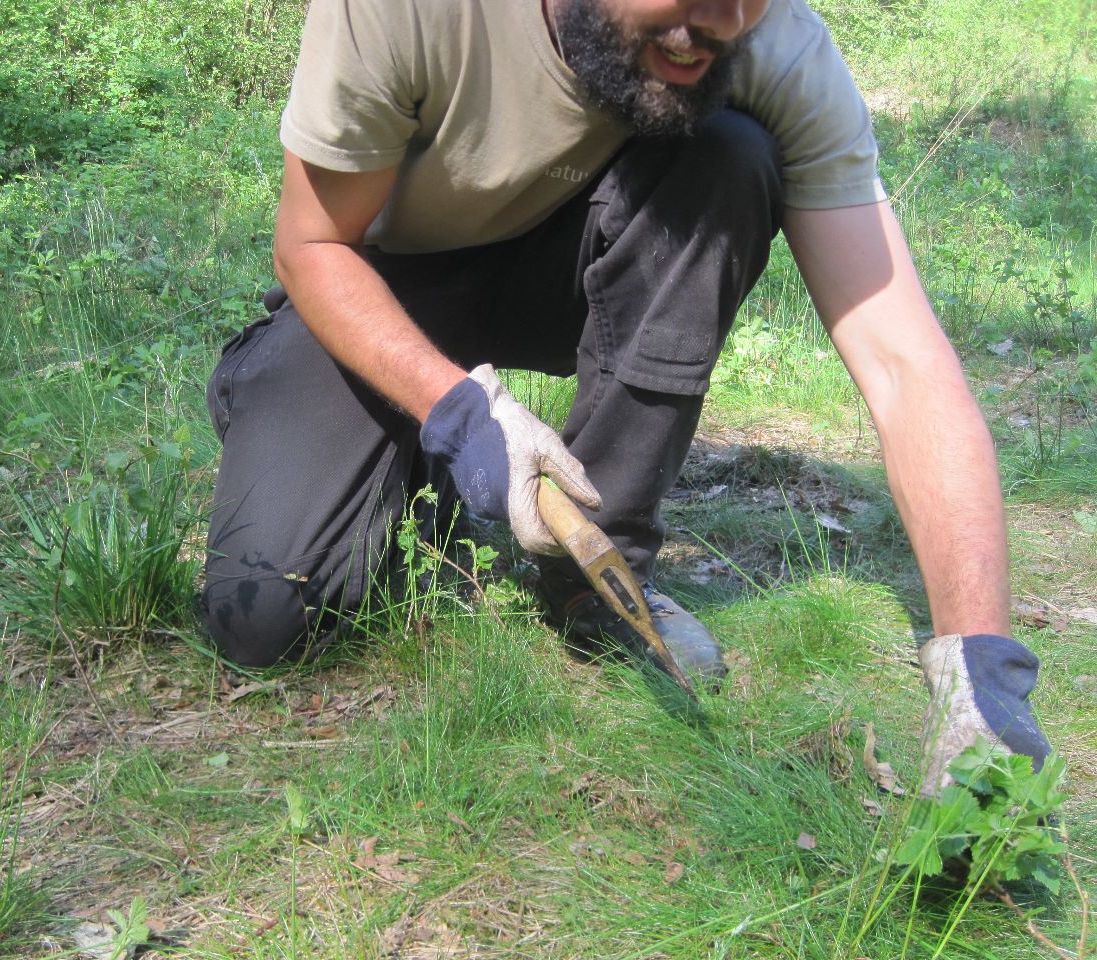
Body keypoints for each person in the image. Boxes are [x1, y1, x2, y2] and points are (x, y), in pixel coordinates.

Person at [201, 0, 1050, 789]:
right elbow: (311, 244)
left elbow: (906, 363)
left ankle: (595, 576)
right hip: (382, 284)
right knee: (270, 617)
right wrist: (457, 408)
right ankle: (337, 416)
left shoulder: (773, 41)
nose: (713, 26)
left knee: (730, 156)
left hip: (567, 262)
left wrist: (983, 668)